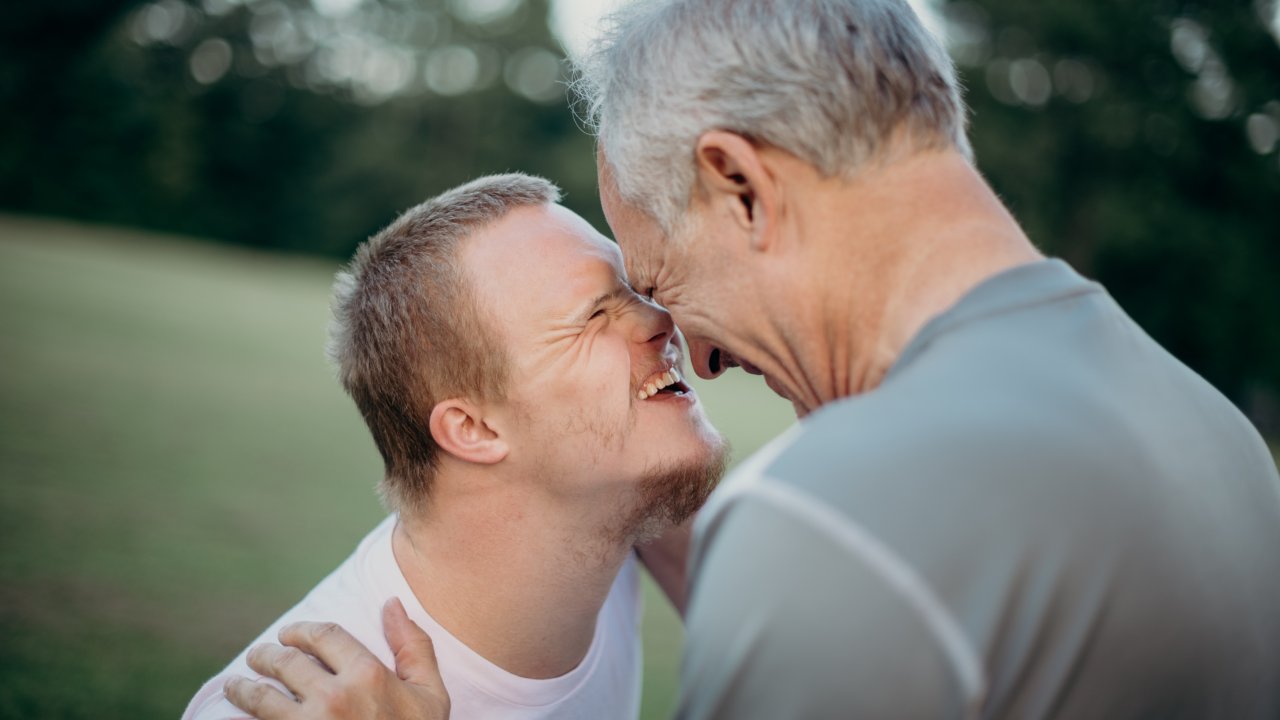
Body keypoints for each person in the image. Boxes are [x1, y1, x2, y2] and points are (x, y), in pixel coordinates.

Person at [227, 0, 1280, 718]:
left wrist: (790, 559)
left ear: (738, 186)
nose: (691, 348)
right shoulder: (1209, 432)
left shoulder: (838, 526)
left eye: (659, 277)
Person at [187, 173, 726, 719]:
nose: (662, 319)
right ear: (474, 429)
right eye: (594, 316)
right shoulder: (296, 705)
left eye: (637, 291)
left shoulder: (618, 506)